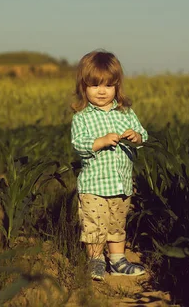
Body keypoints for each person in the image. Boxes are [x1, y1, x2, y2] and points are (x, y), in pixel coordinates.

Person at [70, 49, 148, 281]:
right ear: (83, 87)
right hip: (94, 185)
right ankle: (95, 260)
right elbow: (79, 144)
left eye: (108, 85)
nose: (101, 91)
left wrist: (137, 137)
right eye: (94, 85)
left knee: (117, 224)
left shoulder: (126, 113)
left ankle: (117, 261)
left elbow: (143, 135)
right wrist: (101, 142)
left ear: (117, 87)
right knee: (95, 225)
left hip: (121, 184)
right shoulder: (82, 117)